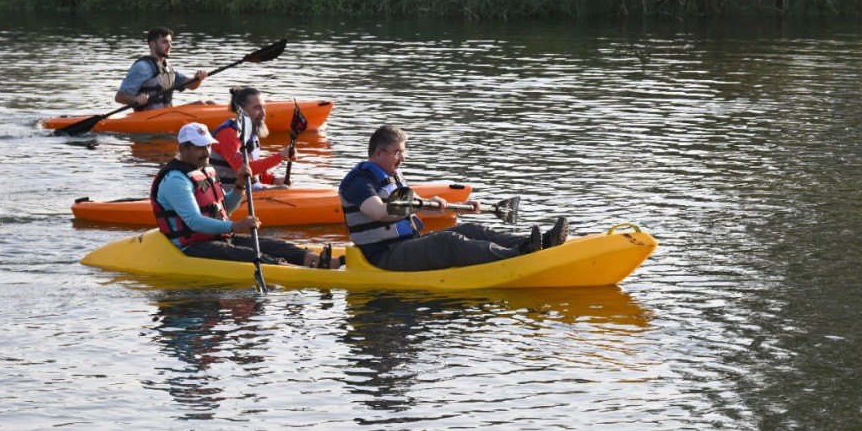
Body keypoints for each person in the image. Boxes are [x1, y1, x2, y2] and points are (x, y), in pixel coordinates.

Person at [338, 124, 567, 272]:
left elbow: (421, 210)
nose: (403, 158)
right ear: (379, 153)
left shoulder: (394, 176)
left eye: (404, 151)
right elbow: (379, 212)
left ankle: (534, 244)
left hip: (407, 244)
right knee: (447, 242)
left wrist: (459, 208)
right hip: (383, 257)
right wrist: (415, 206)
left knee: (471, 229)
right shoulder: (358, 182)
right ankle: (517, 257)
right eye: (398, 152)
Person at [151, 122, 333, 268]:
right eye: (199, 147)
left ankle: (312, 259)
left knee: (273, 245)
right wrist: (236, 226)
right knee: (255, 257)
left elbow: (225, 208)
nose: (206, 152)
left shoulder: (206, 170)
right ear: (183, 149)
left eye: (208, 145)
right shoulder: (175, 179)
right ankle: (296, 271)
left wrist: (239, 187)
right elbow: (194, 222)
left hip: (218, 238)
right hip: (192, 247)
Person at [212, 86, 297, 189]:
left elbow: (254, 170)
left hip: (251, 193)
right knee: (285, 191)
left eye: (264, 107)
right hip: (230, 198)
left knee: (285, 188)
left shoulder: (251, 132)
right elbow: (244, 170)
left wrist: (273, 180)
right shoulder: (228, 134)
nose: (263, 113)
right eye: (257, 108)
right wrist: (280, 157)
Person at [115, 27, 208, 111]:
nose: (169, 45)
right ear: (153, 44)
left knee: (208, 104)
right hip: (148, 117)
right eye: (165, 42)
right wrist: (135, 99)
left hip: (168, 114)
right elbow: (119, 97)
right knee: (201, 105)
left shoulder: (168, 68)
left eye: (170, 42)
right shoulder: (141, 67)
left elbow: (192, 86)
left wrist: (198, 78)